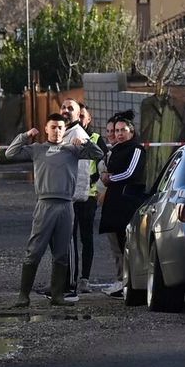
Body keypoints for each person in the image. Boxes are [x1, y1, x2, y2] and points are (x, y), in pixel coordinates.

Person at [4, 108, 105, 308]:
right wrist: (25, 136)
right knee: (34, 251)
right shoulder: (38, 149)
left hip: (67, 205)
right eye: (53, 128)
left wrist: (85, 142)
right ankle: (23, 296)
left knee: (61, 253)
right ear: (46, 129)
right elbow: (10, 153)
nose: (57, 131)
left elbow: (99, 154)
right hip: (45, 204)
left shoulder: (72, 149)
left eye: (60, 128)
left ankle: (58, 294)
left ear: (64, 129)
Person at [98, 110, 147, 293]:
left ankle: (130, 283)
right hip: (114, 204)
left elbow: (131, 173)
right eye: (116, 130)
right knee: (119, 243)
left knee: (129, 244)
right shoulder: (116, 150)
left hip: (127, 203)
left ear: (131, 131)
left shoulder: (136, 149)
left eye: (122, 130)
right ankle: (123, 282)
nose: (118, 133)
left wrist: (110, 179)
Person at [70, 103, 104, 293]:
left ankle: (85, 279)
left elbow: (105, 161)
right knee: (69, 237)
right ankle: (71, 278)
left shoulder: (95, 138)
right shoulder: (69, 136)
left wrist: (96, 178)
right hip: (71, 195)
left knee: (86, 237)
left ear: (89, 119)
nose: (81, 119)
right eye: (79, 116)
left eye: (84, 116)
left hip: (89, 195)